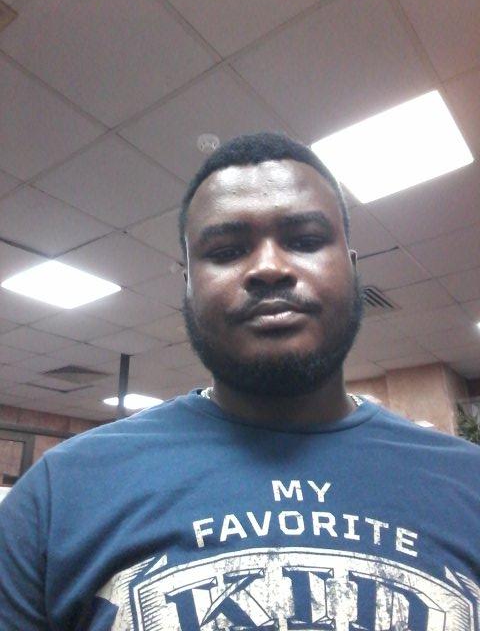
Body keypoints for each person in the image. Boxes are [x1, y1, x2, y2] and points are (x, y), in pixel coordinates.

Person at [0, 132, 479, 630]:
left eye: (305, 241)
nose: (269, 268)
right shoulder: (59, 497)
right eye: (227, 250)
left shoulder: (469, 484)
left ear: (353, 269)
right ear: (188, 285)